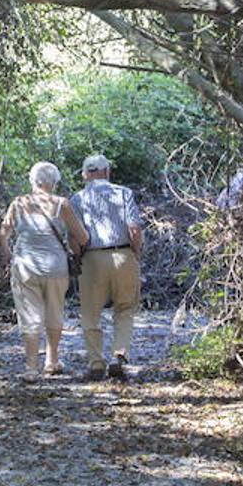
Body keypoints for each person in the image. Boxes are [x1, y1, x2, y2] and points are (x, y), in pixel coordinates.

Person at [0, 161, 89, 381]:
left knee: (30, 316)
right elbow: (83, 236)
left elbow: (2, 235)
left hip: (25, 267)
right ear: (54, 182)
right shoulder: (61, 204)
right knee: (54, 312)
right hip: (56, 267)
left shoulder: (18, 203)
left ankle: (30, 367)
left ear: (32, 180)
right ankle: (51, 361)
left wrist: (9, 255)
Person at [68, 153, 143, 381]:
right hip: (123, 254)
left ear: (84, 175)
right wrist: (136, 252)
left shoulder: (77, 199)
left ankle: (96, 364)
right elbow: (134, 229)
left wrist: (77, 257)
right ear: (107, 172)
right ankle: (119, 354)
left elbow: (74, 236)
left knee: (90, 313)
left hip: (92, 258)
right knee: (125, 308)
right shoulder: (123, 193)